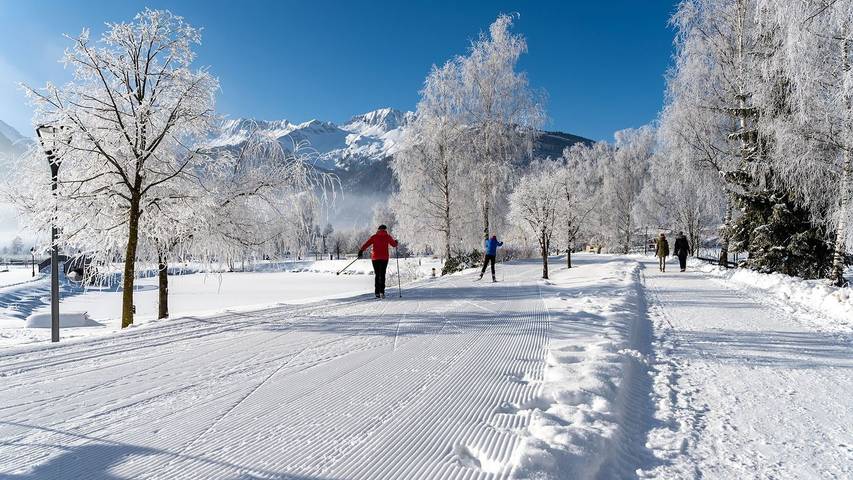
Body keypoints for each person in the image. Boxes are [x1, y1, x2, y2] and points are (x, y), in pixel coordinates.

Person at [358, 225, 398, 298]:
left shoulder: (374, 237)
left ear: (378, 229)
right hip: (384, 258)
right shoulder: (388, 237)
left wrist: (361, 251)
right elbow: (394, 245)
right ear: (385, 229)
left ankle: (377, 292)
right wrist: (396, 242)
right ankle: (382, 292)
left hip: (375, 258)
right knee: (382, 274)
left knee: (377, 274)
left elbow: (367, 244)